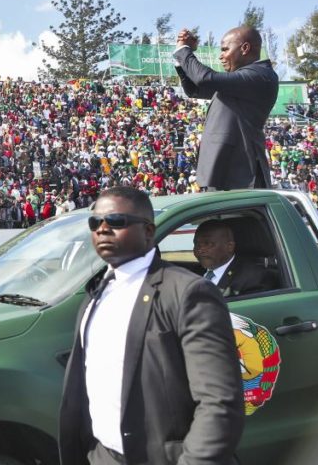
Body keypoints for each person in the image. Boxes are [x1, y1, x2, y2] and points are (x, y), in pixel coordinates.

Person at [59, 187, 243, 465]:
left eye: (117, 221)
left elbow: (219, 403)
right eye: (95, 223)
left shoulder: (188, 292)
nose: (103, 230)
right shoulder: (94, 294)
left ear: (148, 231)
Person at [174, 26, 278, 191]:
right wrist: (180, 59)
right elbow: (195, 89)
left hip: (241, 176)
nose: (221, 56)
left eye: (225, 50)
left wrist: (183, 50)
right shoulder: (241, 82)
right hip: (226, 171)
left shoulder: (260, 75)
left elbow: (204, 79)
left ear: (245, 48)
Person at [193, 219, 276, 296]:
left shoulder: (253, 278)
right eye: (197, 244)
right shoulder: (193, 273)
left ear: (230, 246)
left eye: (208, 244)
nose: (200, 250)